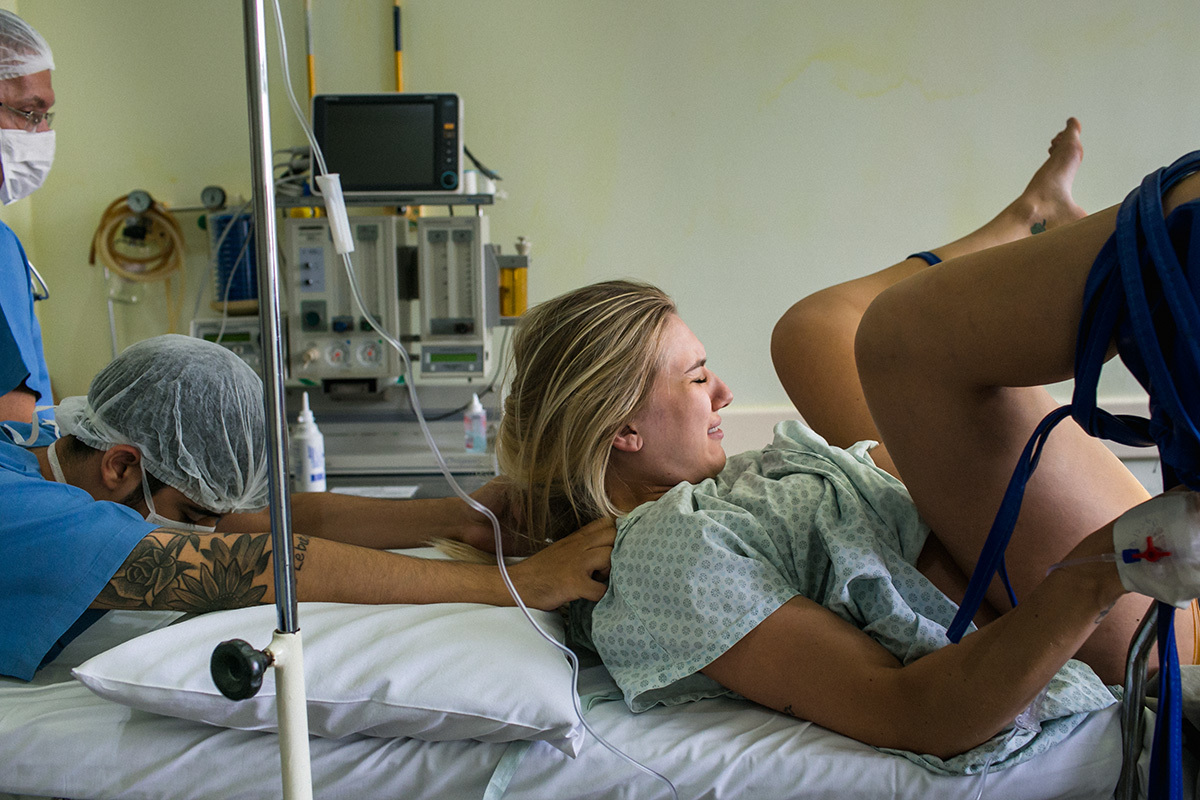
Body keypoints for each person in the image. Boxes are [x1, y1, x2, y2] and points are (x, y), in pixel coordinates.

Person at [493, 119, 1200, 772]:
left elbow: (486, 507)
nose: (726, 394)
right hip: (1111, 634)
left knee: (809, 333)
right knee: (905, 339)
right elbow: (909, 709)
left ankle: (1031, 218)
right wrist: (1109, 564)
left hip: (971, 544)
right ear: (623, 429)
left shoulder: (688, 499)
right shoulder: (660, 556)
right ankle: (1176, 226)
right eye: (699, 375)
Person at [0, 333, 613, 682]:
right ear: (122, 466)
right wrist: (521, 585)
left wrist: (460, 517)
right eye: (190, 518)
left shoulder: (53, 449)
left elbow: (277, 522)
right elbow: (265, 561)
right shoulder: (32, 514)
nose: (209, 532)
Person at [0, 10, 55, 428]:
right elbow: (16, 429)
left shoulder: (5, 242)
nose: (37, 135)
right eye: (27, 113)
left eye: (44, 118)